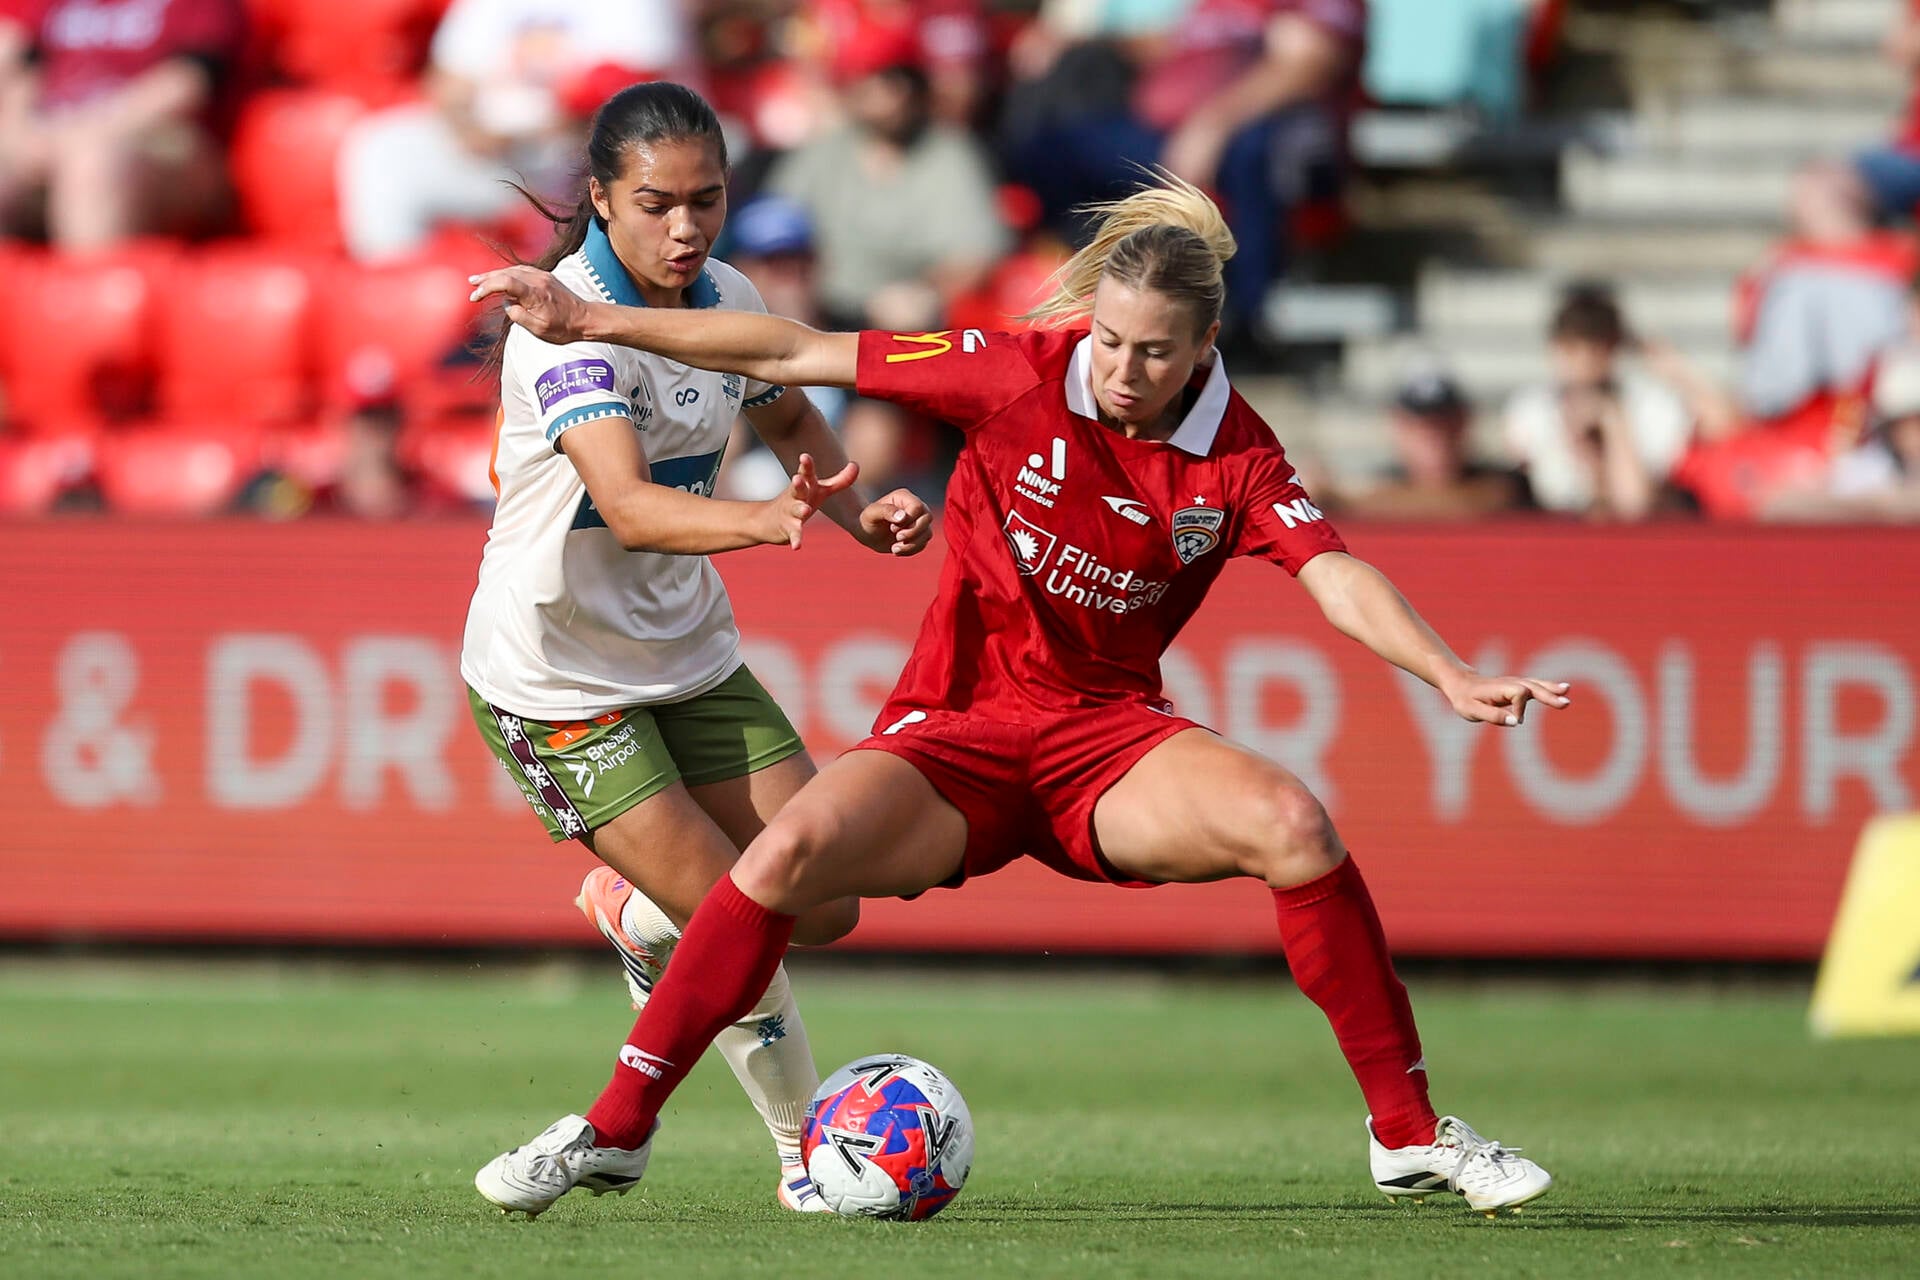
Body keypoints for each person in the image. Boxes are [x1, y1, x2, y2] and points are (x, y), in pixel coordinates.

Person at [468, 172, 1567, 1218]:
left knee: (1295, 823)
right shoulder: (1006, 369)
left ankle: (1408, 1132)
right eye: (1111, 340)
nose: (1123, 369)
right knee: (784, 863)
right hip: (951, 739)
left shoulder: (1238, 453)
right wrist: (591, 319)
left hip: (1107, 746)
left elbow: (1335, 574)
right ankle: (616, 1128)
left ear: (1205, 347)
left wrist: (1449, 671)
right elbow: (796, 349)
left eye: (1155, 352)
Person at [458, 82, 933, 1216]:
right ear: (600, 200)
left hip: (689, 656)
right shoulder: (560, 329)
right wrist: (763, 520)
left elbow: (787, 413)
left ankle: (638, 919)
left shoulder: (727, 295)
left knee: (826, 900)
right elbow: (629, 507)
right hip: (556, 678)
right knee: (740, 918)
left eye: (706, 201)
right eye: (657, 204)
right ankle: (807, 1155)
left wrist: (857, 509)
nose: (686, 229)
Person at [335, 0, 692, 262]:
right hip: (498, 152)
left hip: (584, 153)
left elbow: (639, 93)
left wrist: (543, 130)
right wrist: (469, 129)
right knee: (382, 144)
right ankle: (398, 296)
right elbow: (448, 78)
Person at [0, 0, 244, 251]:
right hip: (54, 135)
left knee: (94, 165)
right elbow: (20, 66)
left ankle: (96, 275)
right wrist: (20, 135)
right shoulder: (56, 5)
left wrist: (85, 133)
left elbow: (189, 83)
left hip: (156, 135)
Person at [1504, 284, 1692, 521]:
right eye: (1571, 348)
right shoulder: (1531, 410)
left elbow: (1634, 504)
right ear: (1554, 348)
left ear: (1615, 348)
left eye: (1596, 349)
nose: (1584, 363)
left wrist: (1612, 421)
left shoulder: (1653, 406)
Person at [1336, 364, 1530, 520]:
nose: (1435, 437)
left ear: (1464, 422)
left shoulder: (1507, 487)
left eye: (1445, 423)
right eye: (1420, 426)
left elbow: (1484, 498)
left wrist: (1347, 501)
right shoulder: (1382, 484)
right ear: (1398, 427)